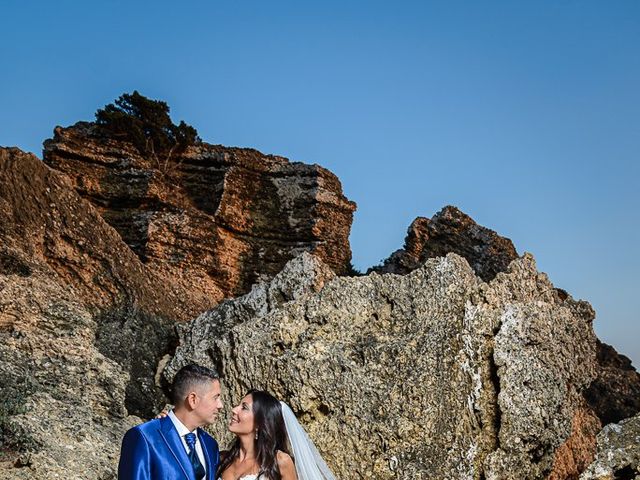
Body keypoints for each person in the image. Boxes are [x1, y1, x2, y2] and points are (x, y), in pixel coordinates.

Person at [118, 364, 223, 480]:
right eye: (215, 398)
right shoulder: (144, 437)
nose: (220, 405)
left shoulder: (210, 445)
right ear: (193, 400)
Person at [217, 390, 335, 480]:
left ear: (259, 423)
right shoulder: (222, 459)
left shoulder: (279, 462)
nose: (234, 409)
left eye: (244, 408)